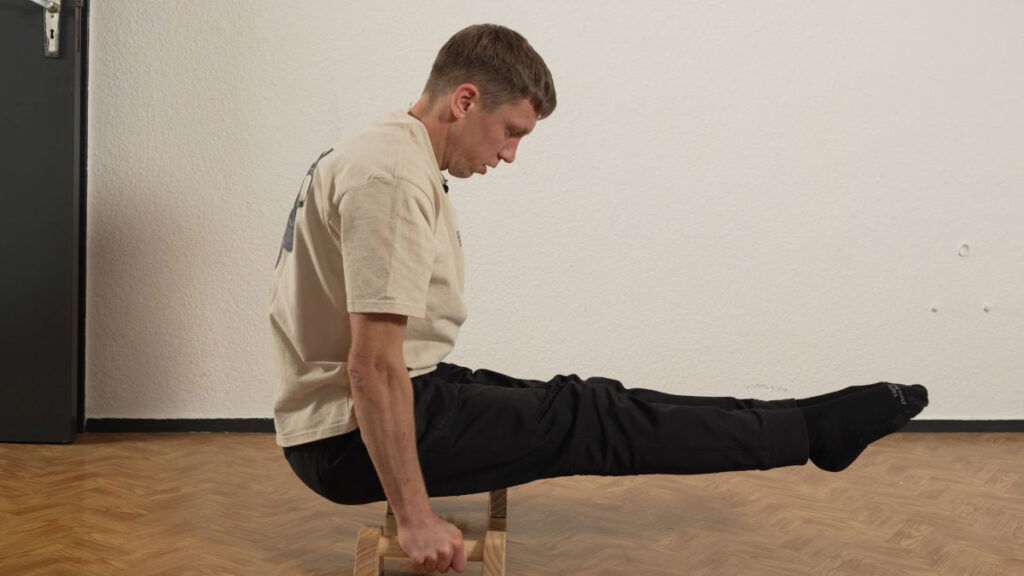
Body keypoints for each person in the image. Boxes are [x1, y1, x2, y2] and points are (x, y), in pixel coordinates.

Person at [268, 23, 929, 574]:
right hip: (347, 439)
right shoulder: (391, 175)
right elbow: (372, 366)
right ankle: (813, 431)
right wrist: (414, 521)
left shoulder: (387, 147)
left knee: (586, 404)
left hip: (378, 406)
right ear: (465, 101)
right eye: (511, 131)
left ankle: (806, 424)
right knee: (596, 422)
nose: (511, 154)